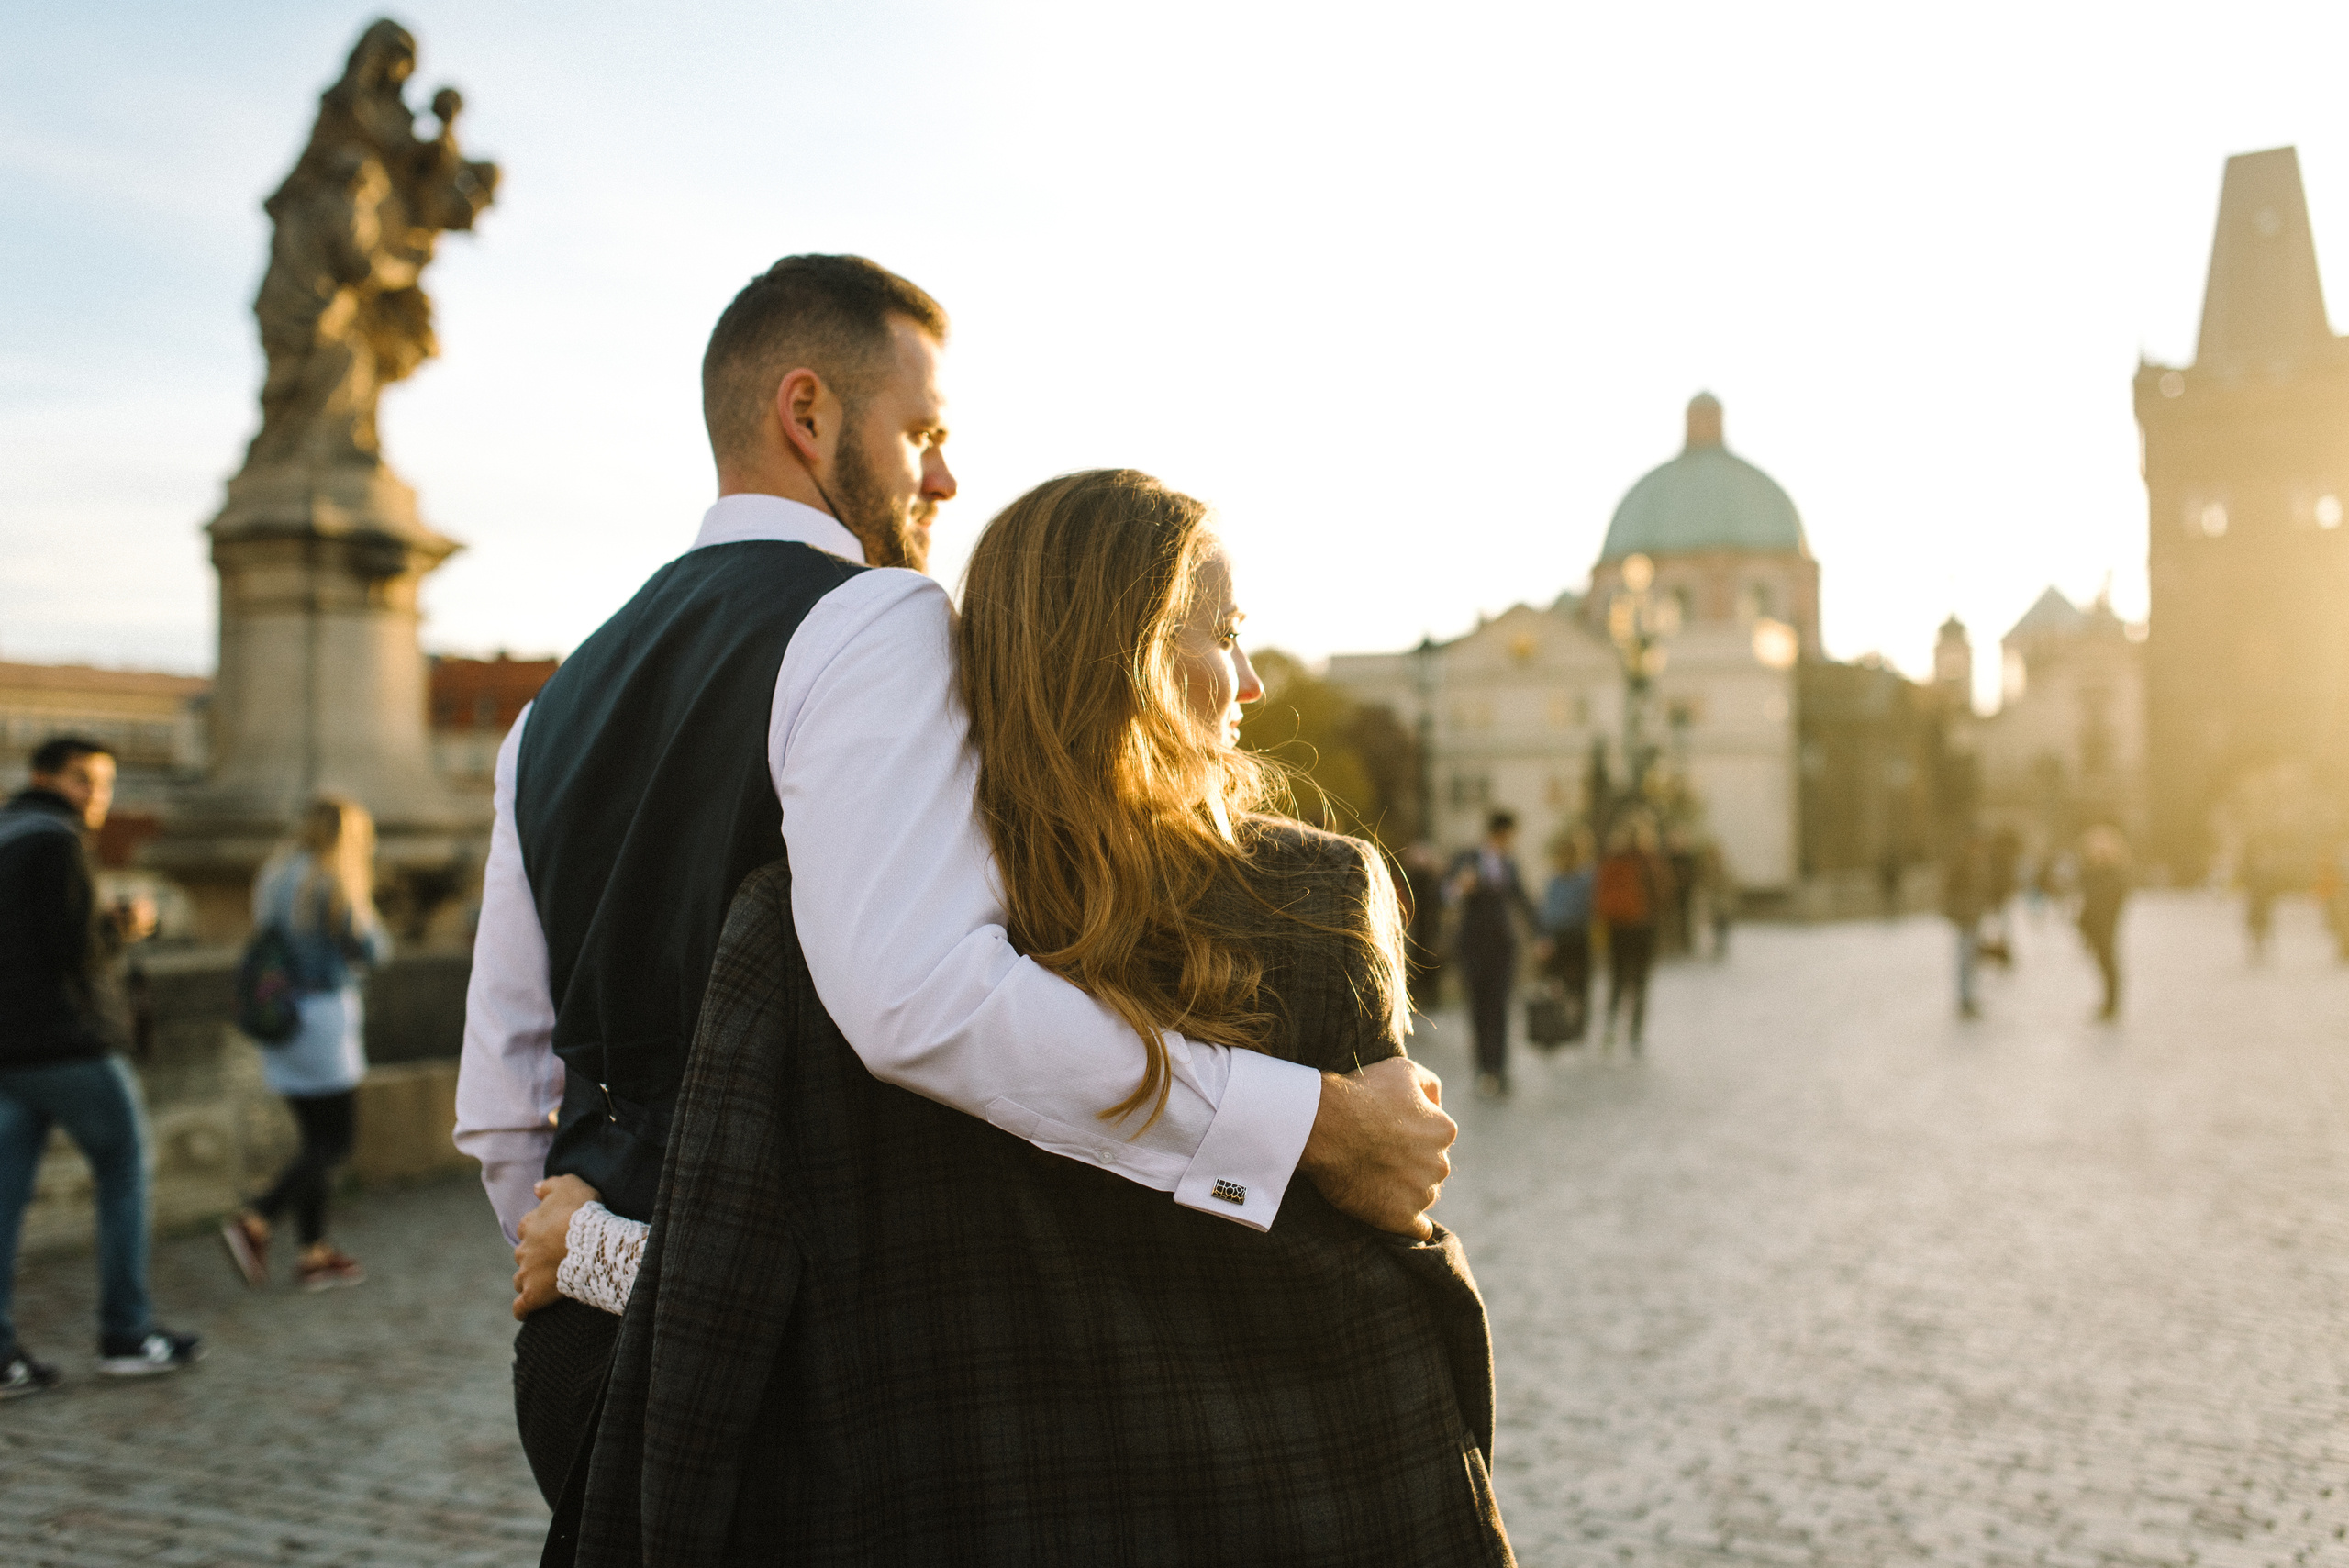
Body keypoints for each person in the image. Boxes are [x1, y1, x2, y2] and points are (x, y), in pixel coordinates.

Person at [455, 256, 1456, 1508]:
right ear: (806, 413)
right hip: (789, 1380)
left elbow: (505, 1108)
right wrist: (1300, 1121)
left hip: (576, 1356)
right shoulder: (877, 621)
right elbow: (928, 1007)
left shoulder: (551, 708)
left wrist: (592, 1265)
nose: (945, 478)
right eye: (922, 433)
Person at [0, 738, 201, 1398]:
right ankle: (127, 1331)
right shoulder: (57, 840)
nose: (97, 795)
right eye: (84, 779)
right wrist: (124, 925)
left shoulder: (6, 832)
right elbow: (71, 950)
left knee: (5, 1196)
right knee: (124, 1169)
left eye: (105, 783)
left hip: (9, 1047)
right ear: (45, 777)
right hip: (66, 1040)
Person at [219, 797, 389, 1292]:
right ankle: (256, 1218)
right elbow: (370, 947)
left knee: (314, 1140)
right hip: (322, 1017)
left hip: (281, 1017)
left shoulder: (275, 875)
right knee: (336, 1142)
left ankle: (313, 1253)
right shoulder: (332, 879)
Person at [1450, 810, 1536, 1096]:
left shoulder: (1509, 864)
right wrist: (1460, 887)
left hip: (1502, 945)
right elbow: (1445, 893)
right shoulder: (1467, 858)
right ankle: (1482, 1071)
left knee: (1500, 1007)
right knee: (1478, 1009)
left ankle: (1499, 1071)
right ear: (1498, 833)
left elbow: (1521, 898)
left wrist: (1541, 933)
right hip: (1473, 944)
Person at [1595, 817, 1667, 1053]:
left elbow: (1598, 894)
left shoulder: (1611, 860)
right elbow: (1663, 892)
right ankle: (1635, 1035)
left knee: (1617, 979)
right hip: (1643, 926)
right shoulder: (1648, 860)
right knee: (1640, 981)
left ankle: (1610, 1029)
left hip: (1617, 927)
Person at [1536, 828, 1594, 1042]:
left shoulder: (1574, 879)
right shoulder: (1574, 879)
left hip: (1568, 936)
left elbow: (1547, 912)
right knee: (1568, 985)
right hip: (1568, 936)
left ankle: (1571, 1027)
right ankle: (1568, 1026)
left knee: (1569, 985)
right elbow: (1547, 911)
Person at [2076, 825, 2130, 1020]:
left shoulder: (2113, 874)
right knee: (2102, 963)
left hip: (2106, 925)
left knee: (2108, 963)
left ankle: (2111, 1004)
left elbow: (2110, 901)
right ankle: (2107, 1002)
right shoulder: (2094, 872)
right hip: (2095, 925)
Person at [1943, 828, 1988, 1018]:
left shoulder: (1974, 863)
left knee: (1970, 959)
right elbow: (1951, 891)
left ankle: (1969, 997)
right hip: (1965, 918)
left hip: (1973, 916)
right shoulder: (1962, 864)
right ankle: (1965, 999)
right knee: (1965, 959)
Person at [1400, 840, 1447, 1016]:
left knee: (1426, 966)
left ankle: (1426, 1002)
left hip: (1425, 931)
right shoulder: (1424, 880)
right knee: (1423, 966)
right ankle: (1425, 1002)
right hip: (1421, 930)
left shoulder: (1429, 881)